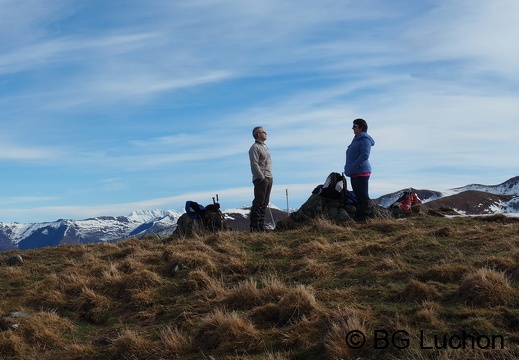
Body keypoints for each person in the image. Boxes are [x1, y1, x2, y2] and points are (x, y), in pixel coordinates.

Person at [344, 118, 375, 222]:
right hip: (354, 173)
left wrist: (354, 166)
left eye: (355, 126)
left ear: (361, 127)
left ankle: (365, 216)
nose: (353, 128)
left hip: (361, 172)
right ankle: (360, 216)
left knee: (363, 195)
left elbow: (364, 155)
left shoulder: (365, 139)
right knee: (357, 195)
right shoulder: (356, 139)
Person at [249, 126, 273, 232]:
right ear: (258, 134)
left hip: (269, 177)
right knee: (258, 202)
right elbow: (254, 164)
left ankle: (261, 225)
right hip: (261, 179)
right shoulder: (254, 148)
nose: (266, 133)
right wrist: (261, 177)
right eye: (264, 132)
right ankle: (255, 227)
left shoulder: (264, 147)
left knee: (265, 202)